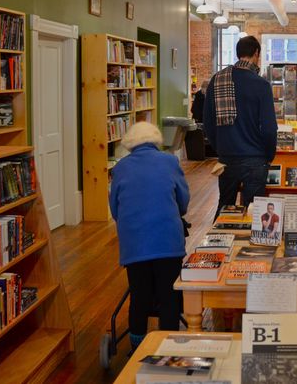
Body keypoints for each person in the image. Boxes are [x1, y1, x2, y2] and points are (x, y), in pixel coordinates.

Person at [109, 121, 190, 352]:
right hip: (167, 240)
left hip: (134, 243)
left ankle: (137, 347)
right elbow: (182, 200)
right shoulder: (169, 161)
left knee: (139, 294)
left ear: (130, 144)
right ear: (156, 141)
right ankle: (170, 343)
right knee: (169, 294)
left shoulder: (121, 167)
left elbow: (115, 208)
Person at [203, 36, 278, 219]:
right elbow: (269, 128)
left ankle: (217, 245)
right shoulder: (261, 85)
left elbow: (208, 123)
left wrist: (221, 148)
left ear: (238, 53)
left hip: (227, 158)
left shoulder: (217, 80)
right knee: (254, 214)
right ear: (256, 54)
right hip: (255, 159)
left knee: (224, 210)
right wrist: (268, 156)